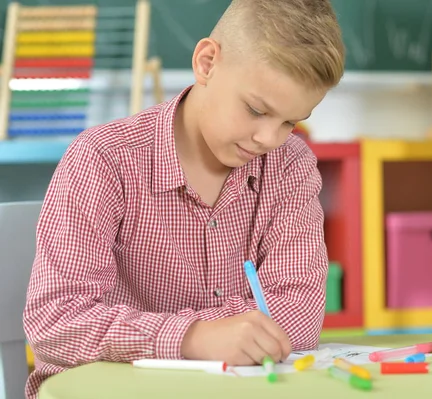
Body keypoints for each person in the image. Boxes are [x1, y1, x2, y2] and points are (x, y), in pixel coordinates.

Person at [22, 0, 345, 397]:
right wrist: (193, 338)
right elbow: (56, 323)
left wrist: (211, 336)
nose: (270, 139)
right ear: (207, 63)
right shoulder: (104, 160)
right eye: (256, 110)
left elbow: (300, 315)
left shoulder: (289, 167)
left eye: (290, 122)